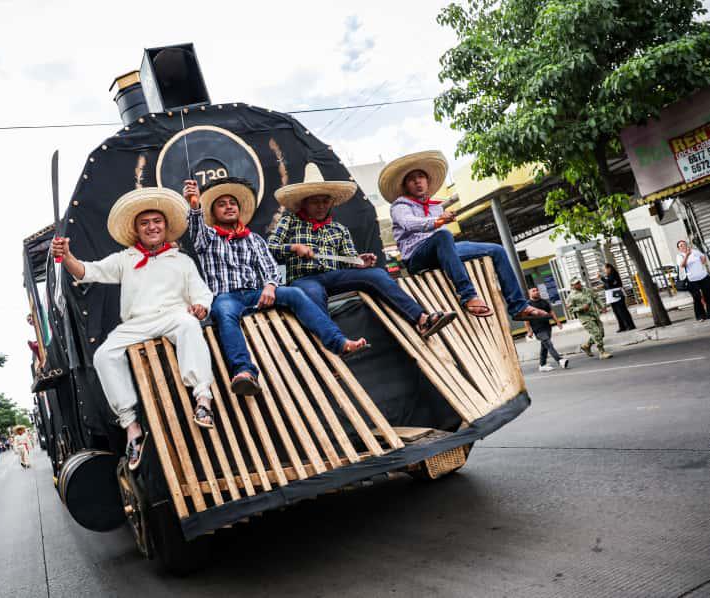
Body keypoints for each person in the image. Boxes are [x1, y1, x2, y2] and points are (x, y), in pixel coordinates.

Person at [51, 186, 216, 470]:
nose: (152, 227)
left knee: (190, 325)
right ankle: (131, 427)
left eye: (157, 222)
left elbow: (201, 294)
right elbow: (86, 271)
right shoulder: (125, 259)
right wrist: (65, 256)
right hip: (136, 324)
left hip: (173, 315)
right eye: (145, 223)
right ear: (137, 230)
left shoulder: (182, 260)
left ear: (165, 226)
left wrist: (200, 306)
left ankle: (203, 399)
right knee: (104, 355)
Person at [183, 177, 369, 398]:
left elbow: (270, 267)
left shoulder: (253, 239)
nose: (229, 206)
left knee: (294, 293)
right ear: (213, 213)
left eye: (232, 203)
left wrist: (270, 286)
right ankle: (244, 372)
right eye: (221, 204)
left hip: (256, 294)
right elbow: (196, 227)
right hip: (227, 297)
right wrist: (194, 204)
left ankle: (338, 343)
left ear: (239, 209)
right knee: (223, 311)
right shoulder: (208, 237)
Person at [268, 164, 457, 337]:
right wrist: (293, 247)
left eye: (325, 201)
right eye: (315, 201)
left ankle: (422, 319)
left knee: (376, 274)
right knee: (312, 293)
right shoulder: (289, 222)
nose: (321, 206)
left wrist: (360, 261)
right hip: (305, 279)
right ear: (304, 203)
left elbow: (348, 260)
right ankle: (330, 346)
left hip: (335, 275)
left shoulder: (339, 229)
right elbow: (270, 248)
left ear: (331, 203)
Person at [382, 151, 549, 322]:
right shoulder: (399, 206)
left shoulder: (435, 206)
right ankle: (468, 296)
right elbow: (410, 223)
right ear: (405, 186)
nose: (417, 181)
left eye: (421, 176)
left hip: (441, 250)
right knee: (443, 235)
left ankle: (518, 306)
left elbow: (441, 238)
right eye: (412, 179)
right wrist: (438, 221)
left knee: (497, 250)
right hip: (417, 257)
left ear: (427, 181)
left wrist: (440, 220)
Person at [524, 288, 569, 372]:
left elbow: (551, 312)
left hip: (547, 327)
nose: (536, 292)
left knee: (545, 346)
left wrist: (558, 322)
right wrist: (529, 331)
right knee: (548, 343)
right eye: (533, 291)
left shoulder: (544, 302)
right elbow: (526, 319)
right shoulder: (528, 304)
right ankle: (560, 360)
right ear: (529, 293)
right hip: (538, 329)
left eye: (537, 290)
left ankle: (542, 364)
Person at [567, 277, 612, 359]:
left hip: (594, 314)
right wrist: (581, 308)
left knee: (601, 333)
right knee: (596, 333)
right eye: (576, 283)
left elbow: (596, 298)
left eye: (579, 282)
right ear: (572, 286)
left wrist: (602, 306)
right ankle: (602, 352)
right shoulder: (571, 296)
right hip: (585, 318)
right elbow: (570, 309)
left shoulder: (587, 290)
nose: (579, 284)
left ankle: (587, 346)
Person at [676, 240, 710, 321]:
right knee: (697, 297)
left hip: (703, 276)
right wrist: (687, 255)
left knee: (708, 295)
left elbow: (703, 261)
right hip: (692, 279)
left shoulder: (695, 251)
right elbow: (682, 265)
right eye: (681, 245)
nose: (683, 246)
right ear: (678, 248)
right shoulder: (679, 256)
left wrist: (703, 257)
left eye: (684, 244)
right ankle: (701, 316)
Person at [600, 264, 636, 332]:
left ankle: (630, 325)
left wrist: (602, 278)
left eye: (605, 269)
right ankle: (622, 326)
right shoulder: (609, 275)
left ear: (609, 268)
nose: (604, 271)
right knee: (616, 312)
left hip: (617, 295)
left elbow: (611, 283)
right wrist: (603, 286)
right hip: (612, 297)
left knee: (622, 311)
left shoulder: (614, 274)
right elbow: (609, 285)